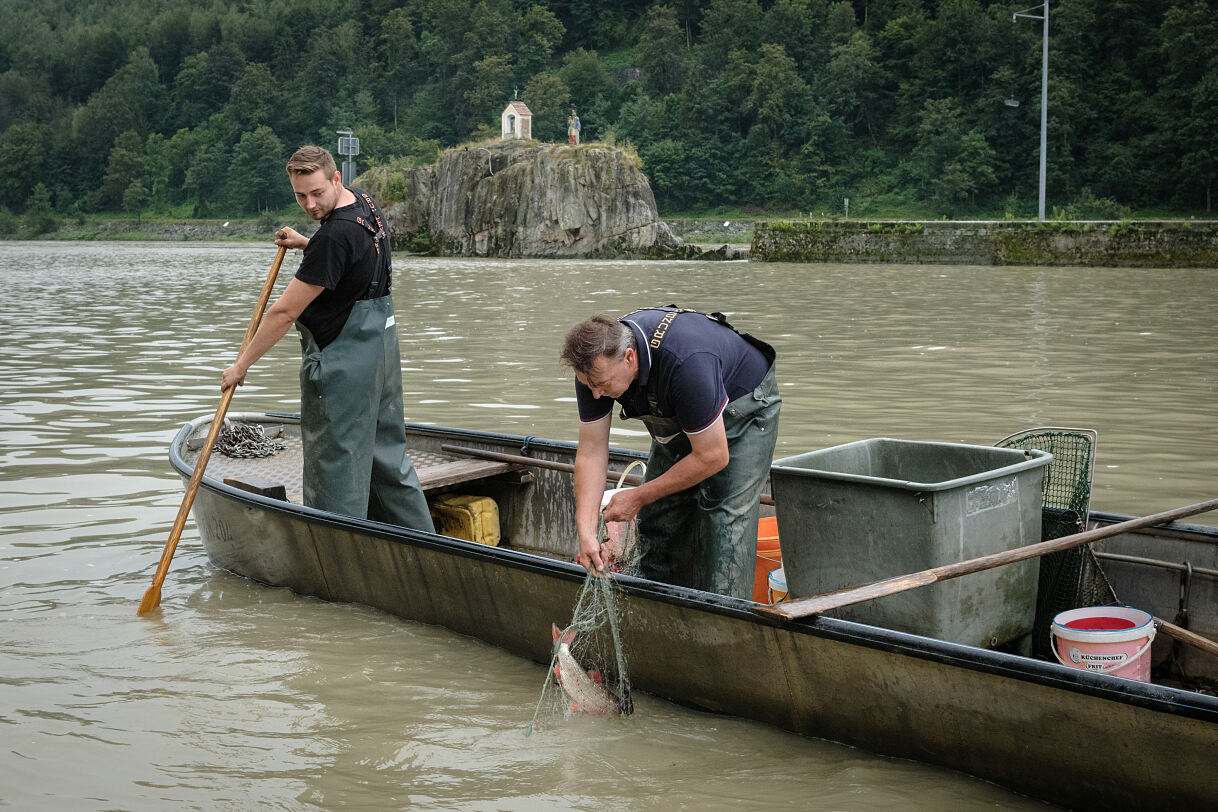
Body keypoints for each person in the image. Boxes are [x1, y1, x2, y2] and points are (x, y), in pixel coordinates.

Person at [221, 145, 434, 531]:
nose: (310, 204)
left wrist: (241, 365)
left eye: (317, 192)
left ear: (335, 178)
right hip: (382, 352)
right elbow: (352, 256)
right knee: (388, 458)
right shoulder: (364, 203)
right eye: (300, 195)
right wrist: (307, 243)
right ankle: (423, 542)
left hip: (344, 362)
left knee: (335, 463)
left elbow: (284, 313)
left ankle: (333, 544)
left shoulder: (333, 236)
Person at [560, 307, 780, 598]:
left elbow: (713, 455)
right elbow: (590, 452)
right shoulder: (593, 371)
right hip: (682, 414)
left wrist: (638, 495)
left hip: (744, 409)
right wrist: (585, 533)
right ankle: (662, 610)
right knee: (658, 518)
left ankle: (722, 622)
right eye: (590, 385)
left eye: (601, 385)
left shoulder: (687, 363)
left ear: (629, 358)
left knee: (723, 525)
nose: (596, 394)